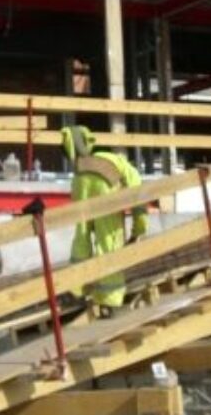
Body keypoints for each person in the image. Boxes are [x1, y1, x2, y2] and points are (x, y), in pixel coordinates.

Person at [61, 125, 148, 318]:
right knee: (109, 244)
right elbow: (139, 202)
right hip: (105, 187)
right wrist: (139, 230)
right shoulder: (127, 169)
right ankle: (109, 299)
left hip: (80, 180)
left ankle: (75, 289)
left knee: (81, 237)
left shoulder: (90, 161)